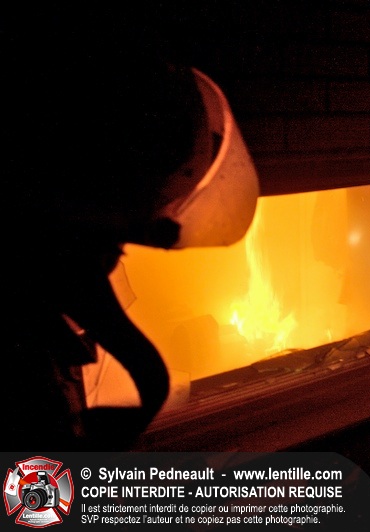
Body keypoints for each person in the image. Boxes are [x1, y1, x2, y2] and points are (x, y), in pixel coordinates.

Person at [5, 19, 258, 450]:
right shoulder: (19, 353)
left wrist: (150, 379)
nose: (120, 250)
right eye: (120, 231)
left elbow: (79, 281)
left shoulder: (54, 248)